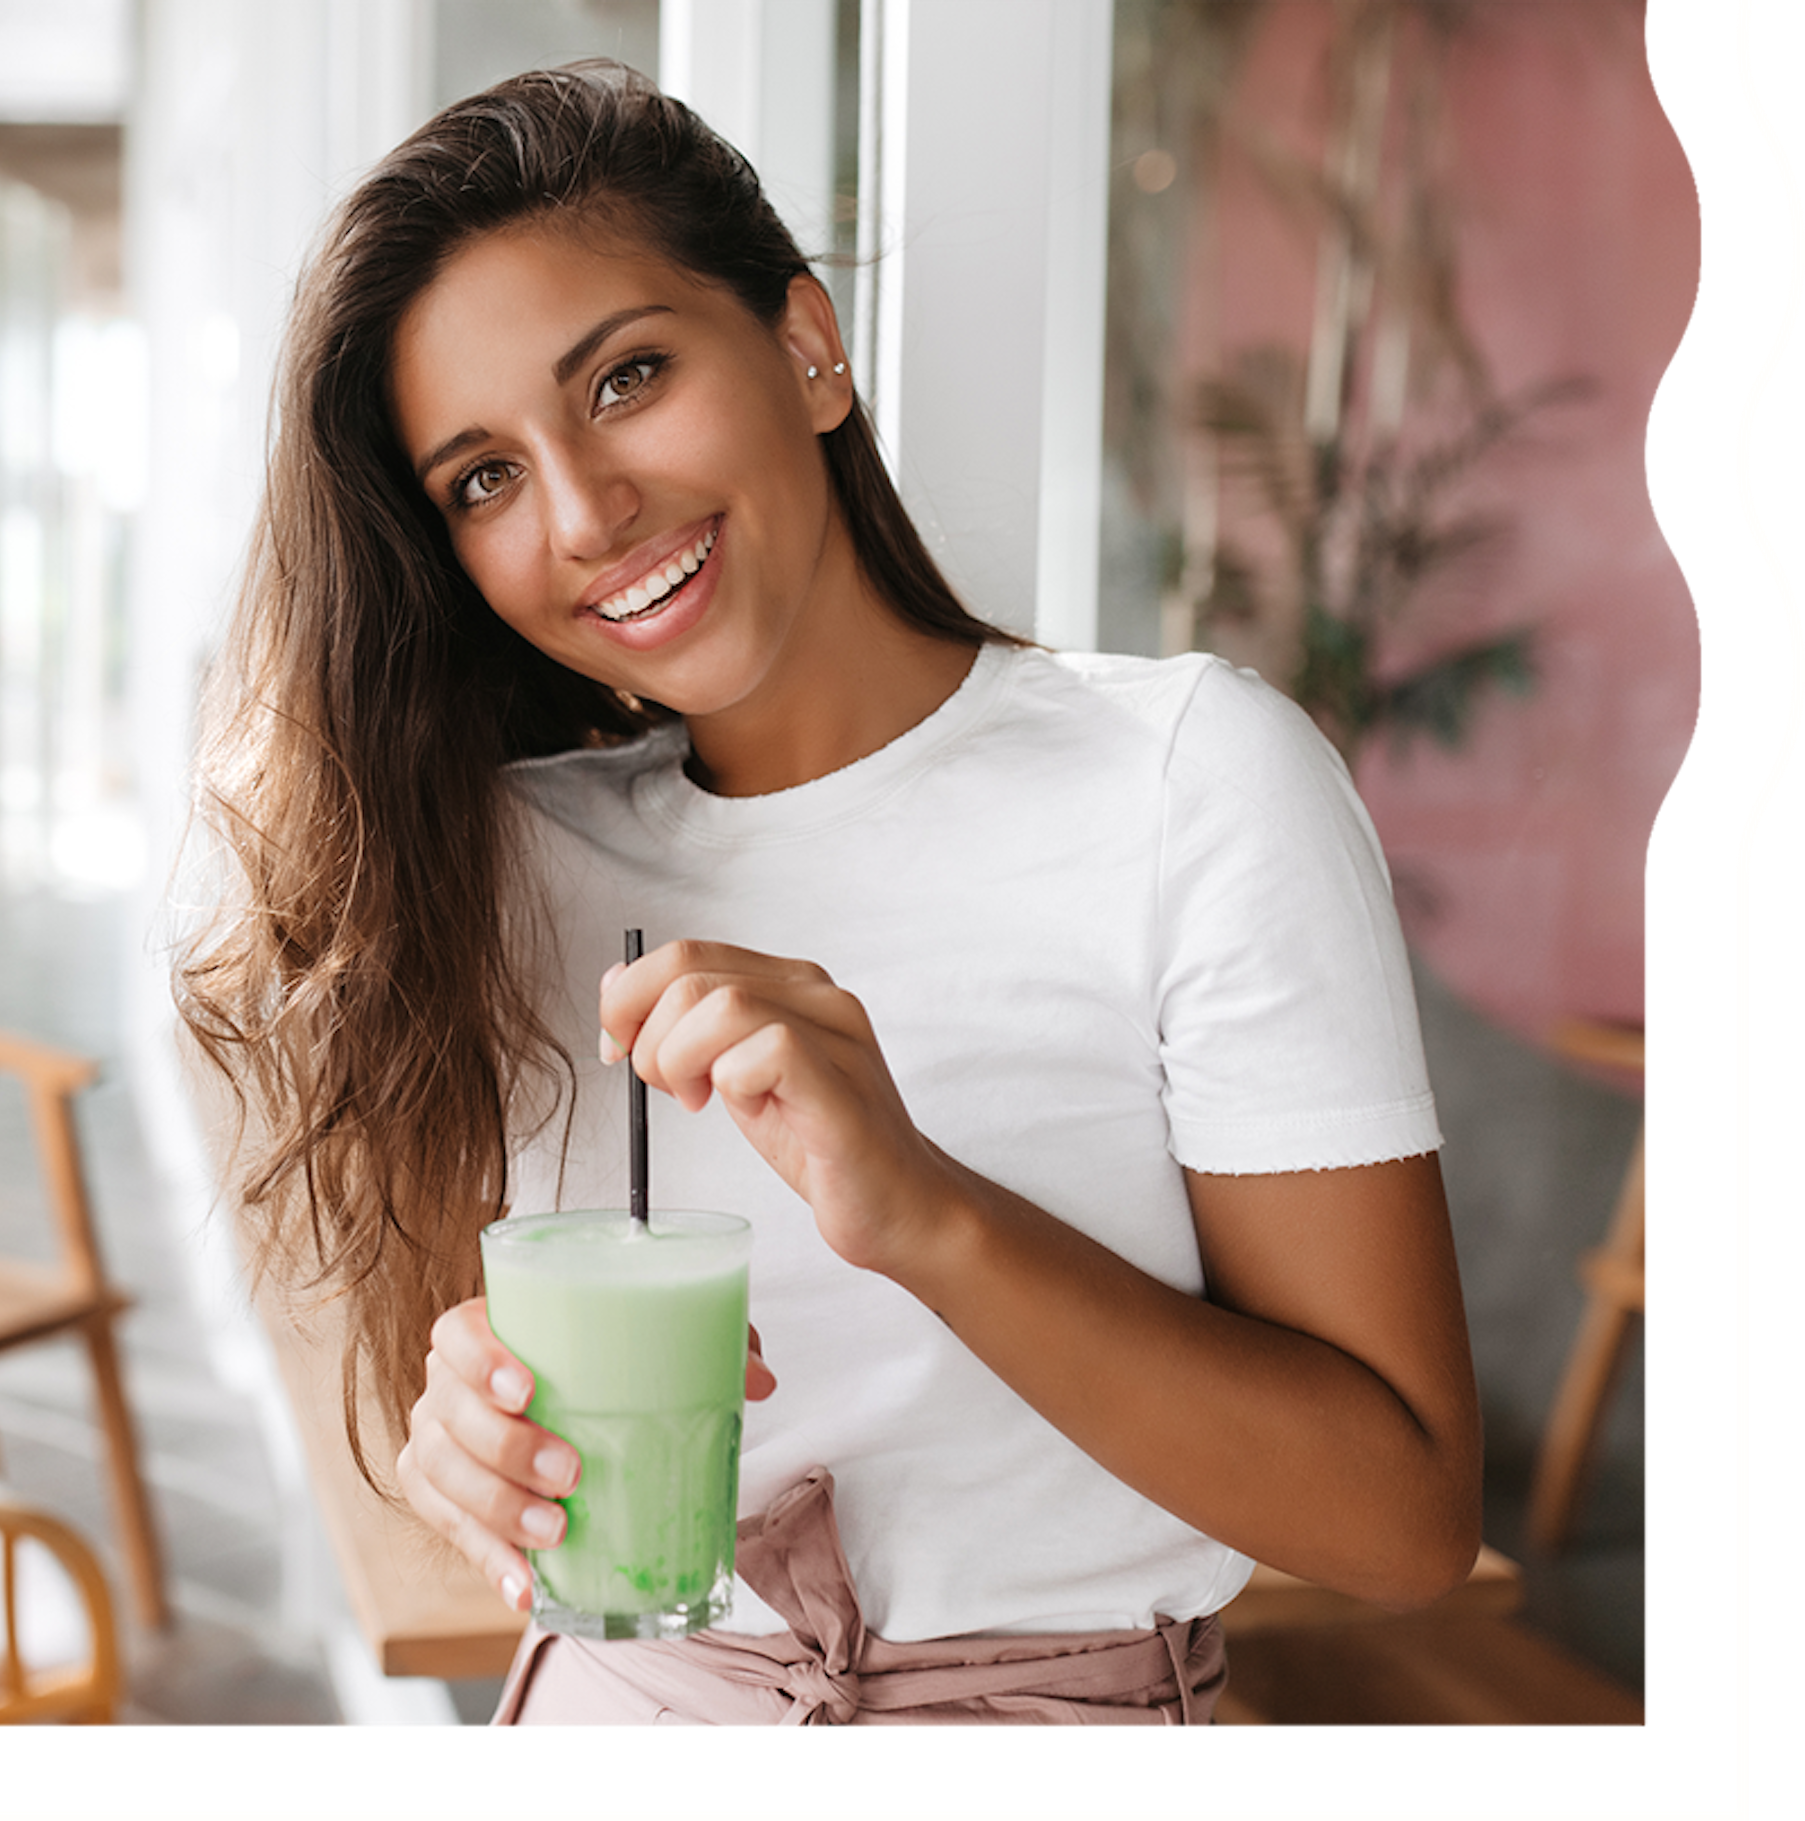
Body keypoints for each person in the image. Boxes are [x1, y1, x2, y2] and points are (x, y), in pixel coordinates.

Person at [175, 59, 1481, 1727]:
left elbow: (1405, 1522)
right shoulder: (496, 861)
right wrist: (466, 1428)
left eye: (626, 378)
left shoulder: (1189, 785)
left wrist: (925, 1212)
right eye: (482, 479)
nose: (583, 514)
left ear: (806, 347)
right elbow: (487, 1406)